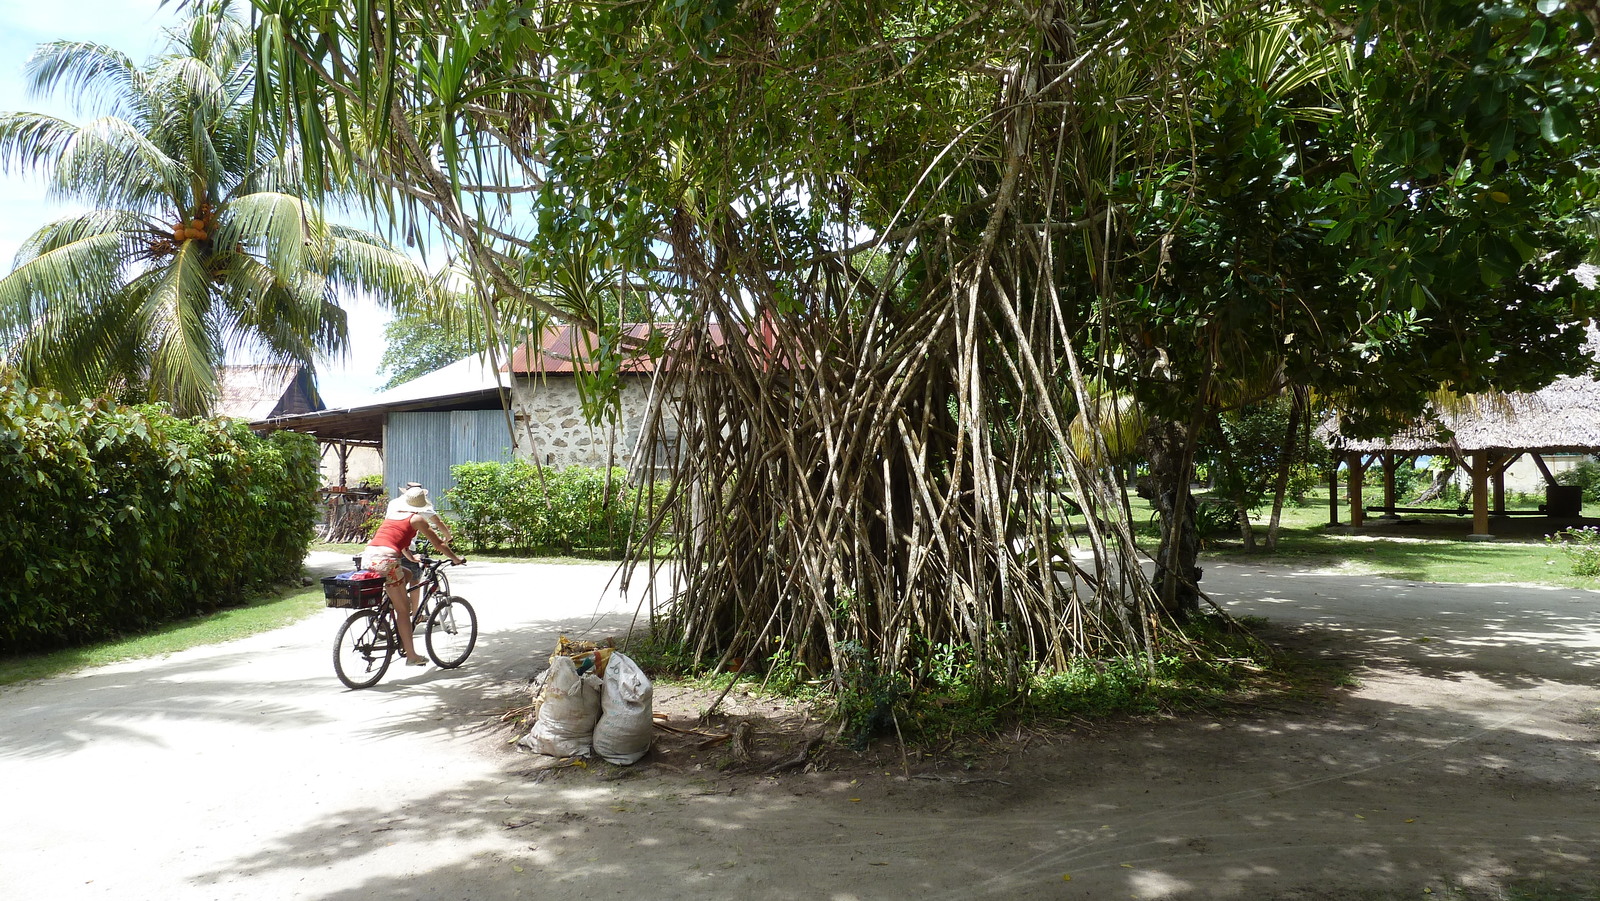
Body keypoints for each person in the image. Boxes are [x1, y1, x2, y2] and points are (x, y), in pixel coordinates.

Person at [362, 483, 464, 666]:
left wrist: (411, 557)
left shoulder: (393, 515)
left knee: (407, 573)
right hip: (386, 561)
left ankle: (390, 604)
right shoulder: (416, 519)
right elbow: (438, 544)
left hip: (369, 557)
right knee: (404, 611)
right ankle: (411, 656)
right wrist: (455, 558)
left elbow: (398, 541)